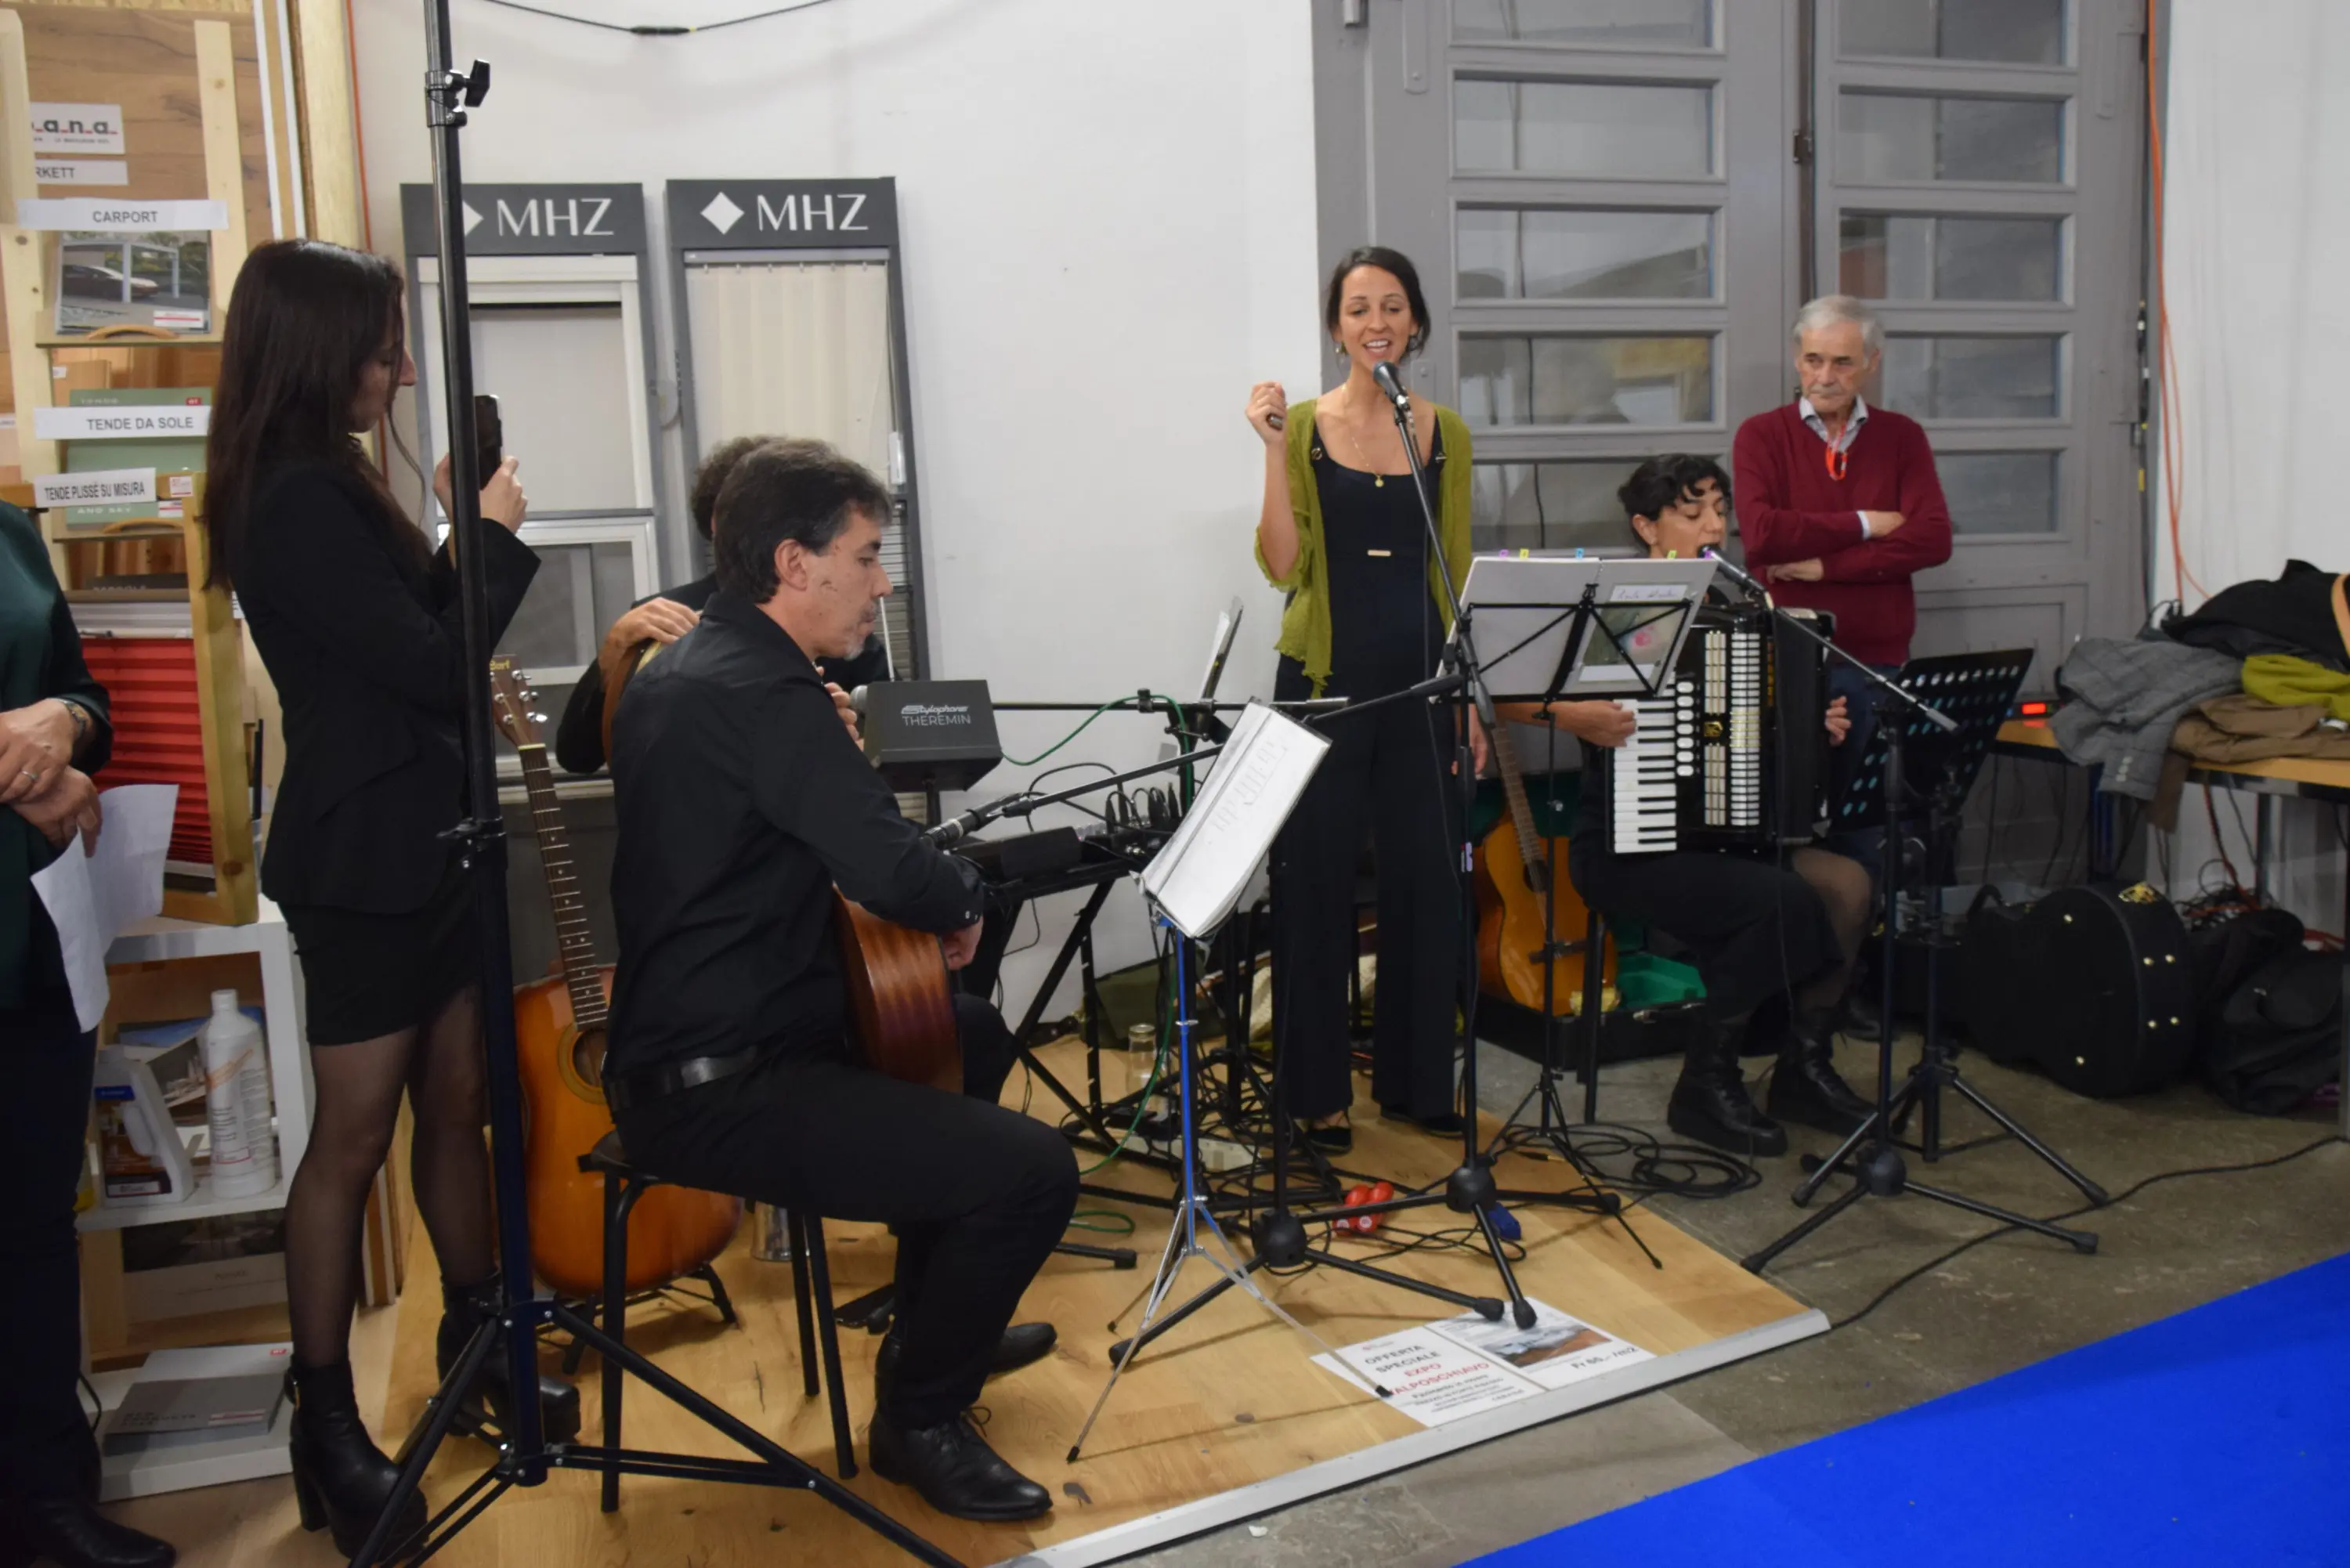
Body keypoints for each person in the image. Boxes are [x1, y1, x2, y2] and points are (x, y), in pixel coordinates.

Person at [602, 438, 1076, 1523]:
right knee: (1034, 1170)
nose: (882, 581)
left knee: (969, 1039)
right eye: (866, 556)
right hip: (727, 1084)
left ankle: (935, 1315)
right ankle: (920, 1416)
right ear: (794, 562)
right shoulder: (768, 695)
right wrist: (960, 899)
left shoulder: (692, 665)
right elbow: (889, 864)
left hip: (700, 1042)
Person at [202, 238, 575, 1558]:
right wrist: (486, 538)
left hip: (431, 838)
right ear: (318, 350)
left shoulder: (334, 480)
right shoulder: (289, 497)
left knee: (462, 1103)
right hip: (365, 860)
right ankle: (327, 1425)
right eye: (382, 347)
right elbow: (430, 666)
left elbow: (420, 618)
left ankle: (479, 1334)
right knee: (353, 1140)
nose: (402, 368)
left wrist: (462, 528)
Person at [1547, 456, 1877, 1157]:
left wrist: (1813, 727)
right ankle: (1706, 1080)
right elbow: (1541, 700)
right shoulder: (1622, 613)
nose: (1713, 526)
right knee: (1781, 902)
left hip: (1725, 838)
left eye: (1719, 511)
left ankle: (1802, 1067)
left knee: (1849, 886)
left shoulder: (1746, 615)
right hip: (1627, 844)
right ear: (1646, 526)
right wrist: (1583, 717)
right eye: (1691, 513)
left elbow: (1744, 745)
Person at [1246, 244, 1485, 1154]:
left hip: (1424, 684)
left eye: (1392, 306)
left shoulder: (1446, 432)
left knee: (1430, 882)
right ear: (1336, 325)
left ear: (1416, 321)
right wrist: (1272, 454)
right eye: (1357, 308)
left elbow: (1455, 566)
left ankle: (1418, 1081)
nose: (1376, 322)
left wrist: (1461, 686)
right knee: (1316, 885)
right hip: (1324, 688)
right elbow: (1282, 565)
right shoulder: (1301, 426)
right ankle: (1314, 1091)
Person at [1, 509, 174, 1568]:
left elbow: (83, 695)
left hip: (30, 943)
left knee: (29, 1231)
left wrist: (65, 731)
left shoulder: (13, 535)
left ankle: (48, 1495)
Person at [1733, 294, 1954, 835]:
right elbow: (1763, 535)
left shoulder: (1902, 437)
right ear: (1796, 357)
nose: (1824, 376)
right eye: (1813, 360)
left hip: (1879, 665)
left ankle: (1871, 920)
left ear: (1872, 363)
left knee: (1874, 830)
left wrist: (1823, 568)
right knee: (1794, 826)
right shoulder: (1761, 435)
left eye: (1842, 362)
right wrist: (1863, 522)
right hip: (1790, 665)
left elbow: (1933, 539)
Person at [554, 434, 888, 776]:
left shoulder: (844, 621)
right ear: (722, 521)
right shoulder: (657, 620)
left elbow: (898, 737)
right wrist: (610, 663)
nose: (883, 586)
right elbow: (577, 755)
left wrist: (837, 736)